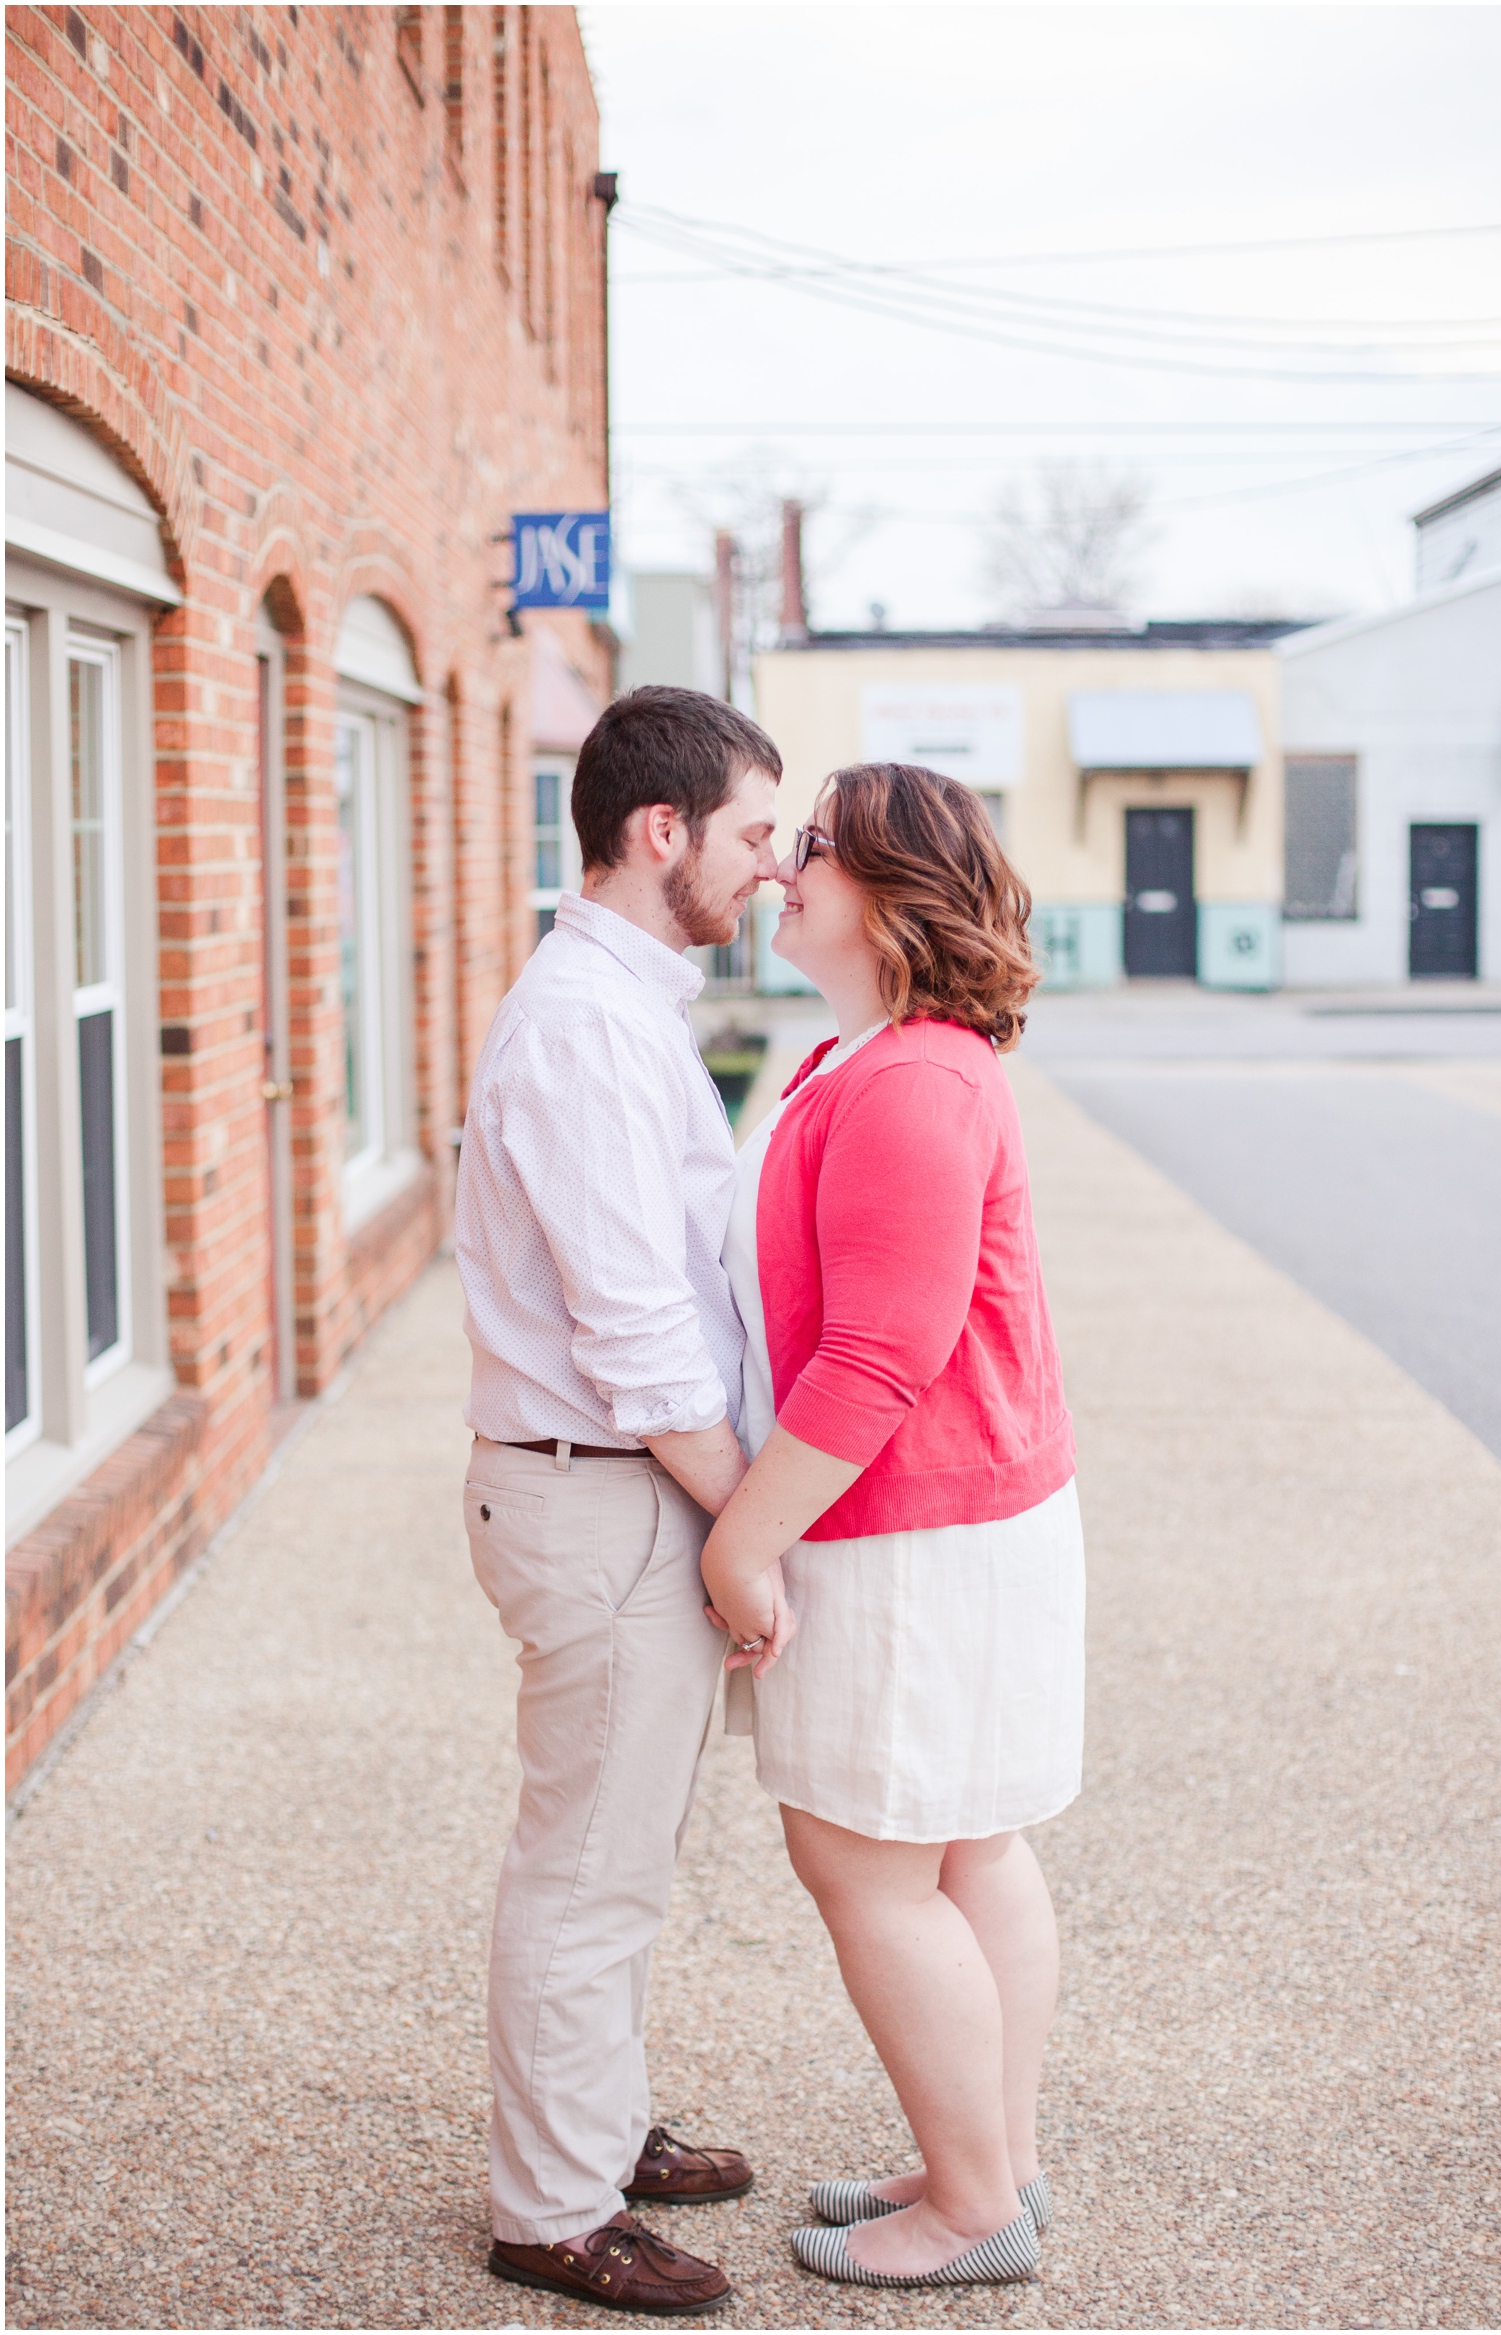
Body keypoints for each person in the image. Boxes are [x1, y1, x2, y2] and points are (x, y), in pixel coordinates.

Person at [702, 762, 1084, 2292]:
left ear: (885, 888)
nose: (785, 866)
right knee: (960, 1844)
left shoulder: (913, 1081)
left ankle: (974, 2204)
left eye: (813, 848)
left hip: (910, 1532)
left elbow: (879, 1354)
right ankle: (987, 2160)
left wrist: (742, 1537)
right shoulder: (865, 1054)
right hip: (951, 1522)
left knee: (869, 1864)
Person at [456, 685, 793, 2317]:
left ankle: (592, 2127)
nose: (771, 869)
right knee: (587, 1865)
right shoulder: (589, 1024)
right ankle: (554, 2209)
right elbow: (638, 1334)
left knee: (625, 1845)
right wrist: (746, 1528)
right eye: (750, 835)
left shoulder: (629, 1002)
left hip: (622, 1490)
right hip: (608, 1495)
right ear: (660, 831)